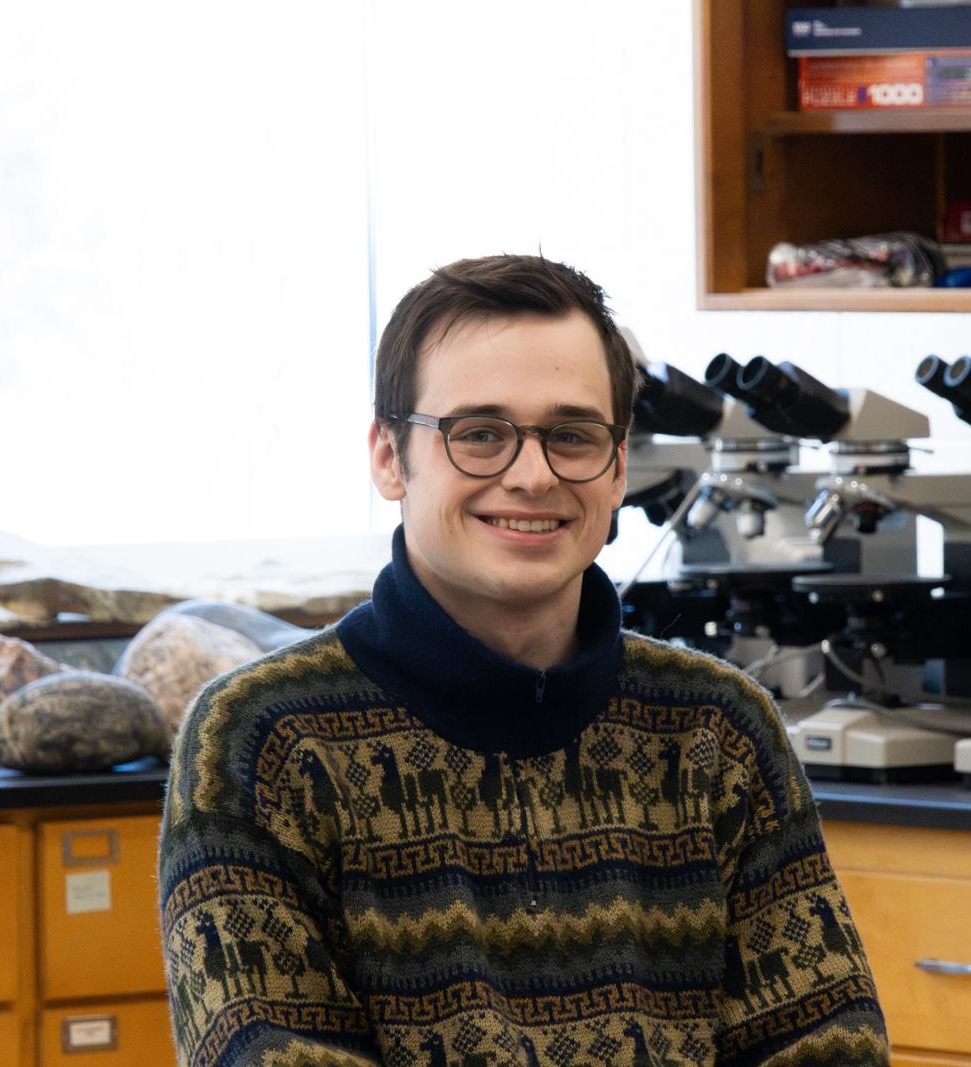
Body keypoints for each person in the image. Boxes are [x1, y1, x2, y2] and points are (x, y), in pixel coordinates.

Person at [159, 254, 889, 1066]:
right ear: (389, 457)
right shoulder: (262, 738)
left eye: (572, 436)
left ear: (617, 468)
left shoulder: (719, 728)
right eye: (480, 434)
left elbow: (832, 1048)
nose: (533, 475)